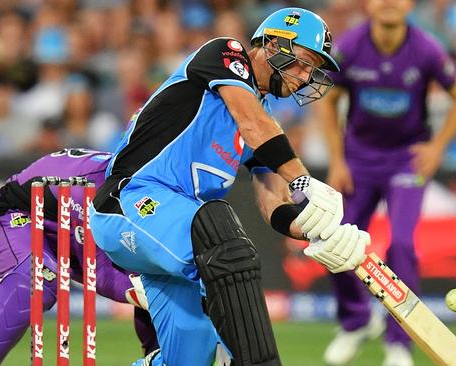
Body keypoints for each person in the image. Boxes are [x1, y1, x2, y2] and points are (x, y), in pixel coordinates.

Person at [88, 7, 370, 366]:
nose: (305, 78)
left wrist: (319, 232)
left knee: (188, 361)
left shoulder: (262, 115)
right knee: (224, 234)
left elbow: (273, 201)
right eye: (303, 63)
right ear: (273, 44)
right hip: (130, 203)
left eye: (313, 70)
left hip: (178, 237)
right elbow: (252, 123)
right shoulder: (225, 53)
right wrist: (305, 180)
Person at [315, 1, 456, 365]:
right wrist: (337, 159)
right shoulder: (351, 47)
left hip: (405, 160)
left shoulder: (426, 49)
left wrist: (437, 148)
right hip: (358, 160)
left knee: (402, 245)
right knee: (334, 240)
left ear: (410, 4)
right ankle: (356, 321)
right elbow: (327, 101)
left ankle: (399, 342)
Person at [0, 148, 158, 365]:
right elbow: (98, 272)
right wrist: (144, 292)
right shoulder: (99, 188)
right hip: (14, 214)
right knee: (36, 281)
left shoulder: (156, 185)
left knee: (165, 281)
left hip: (70, 229)